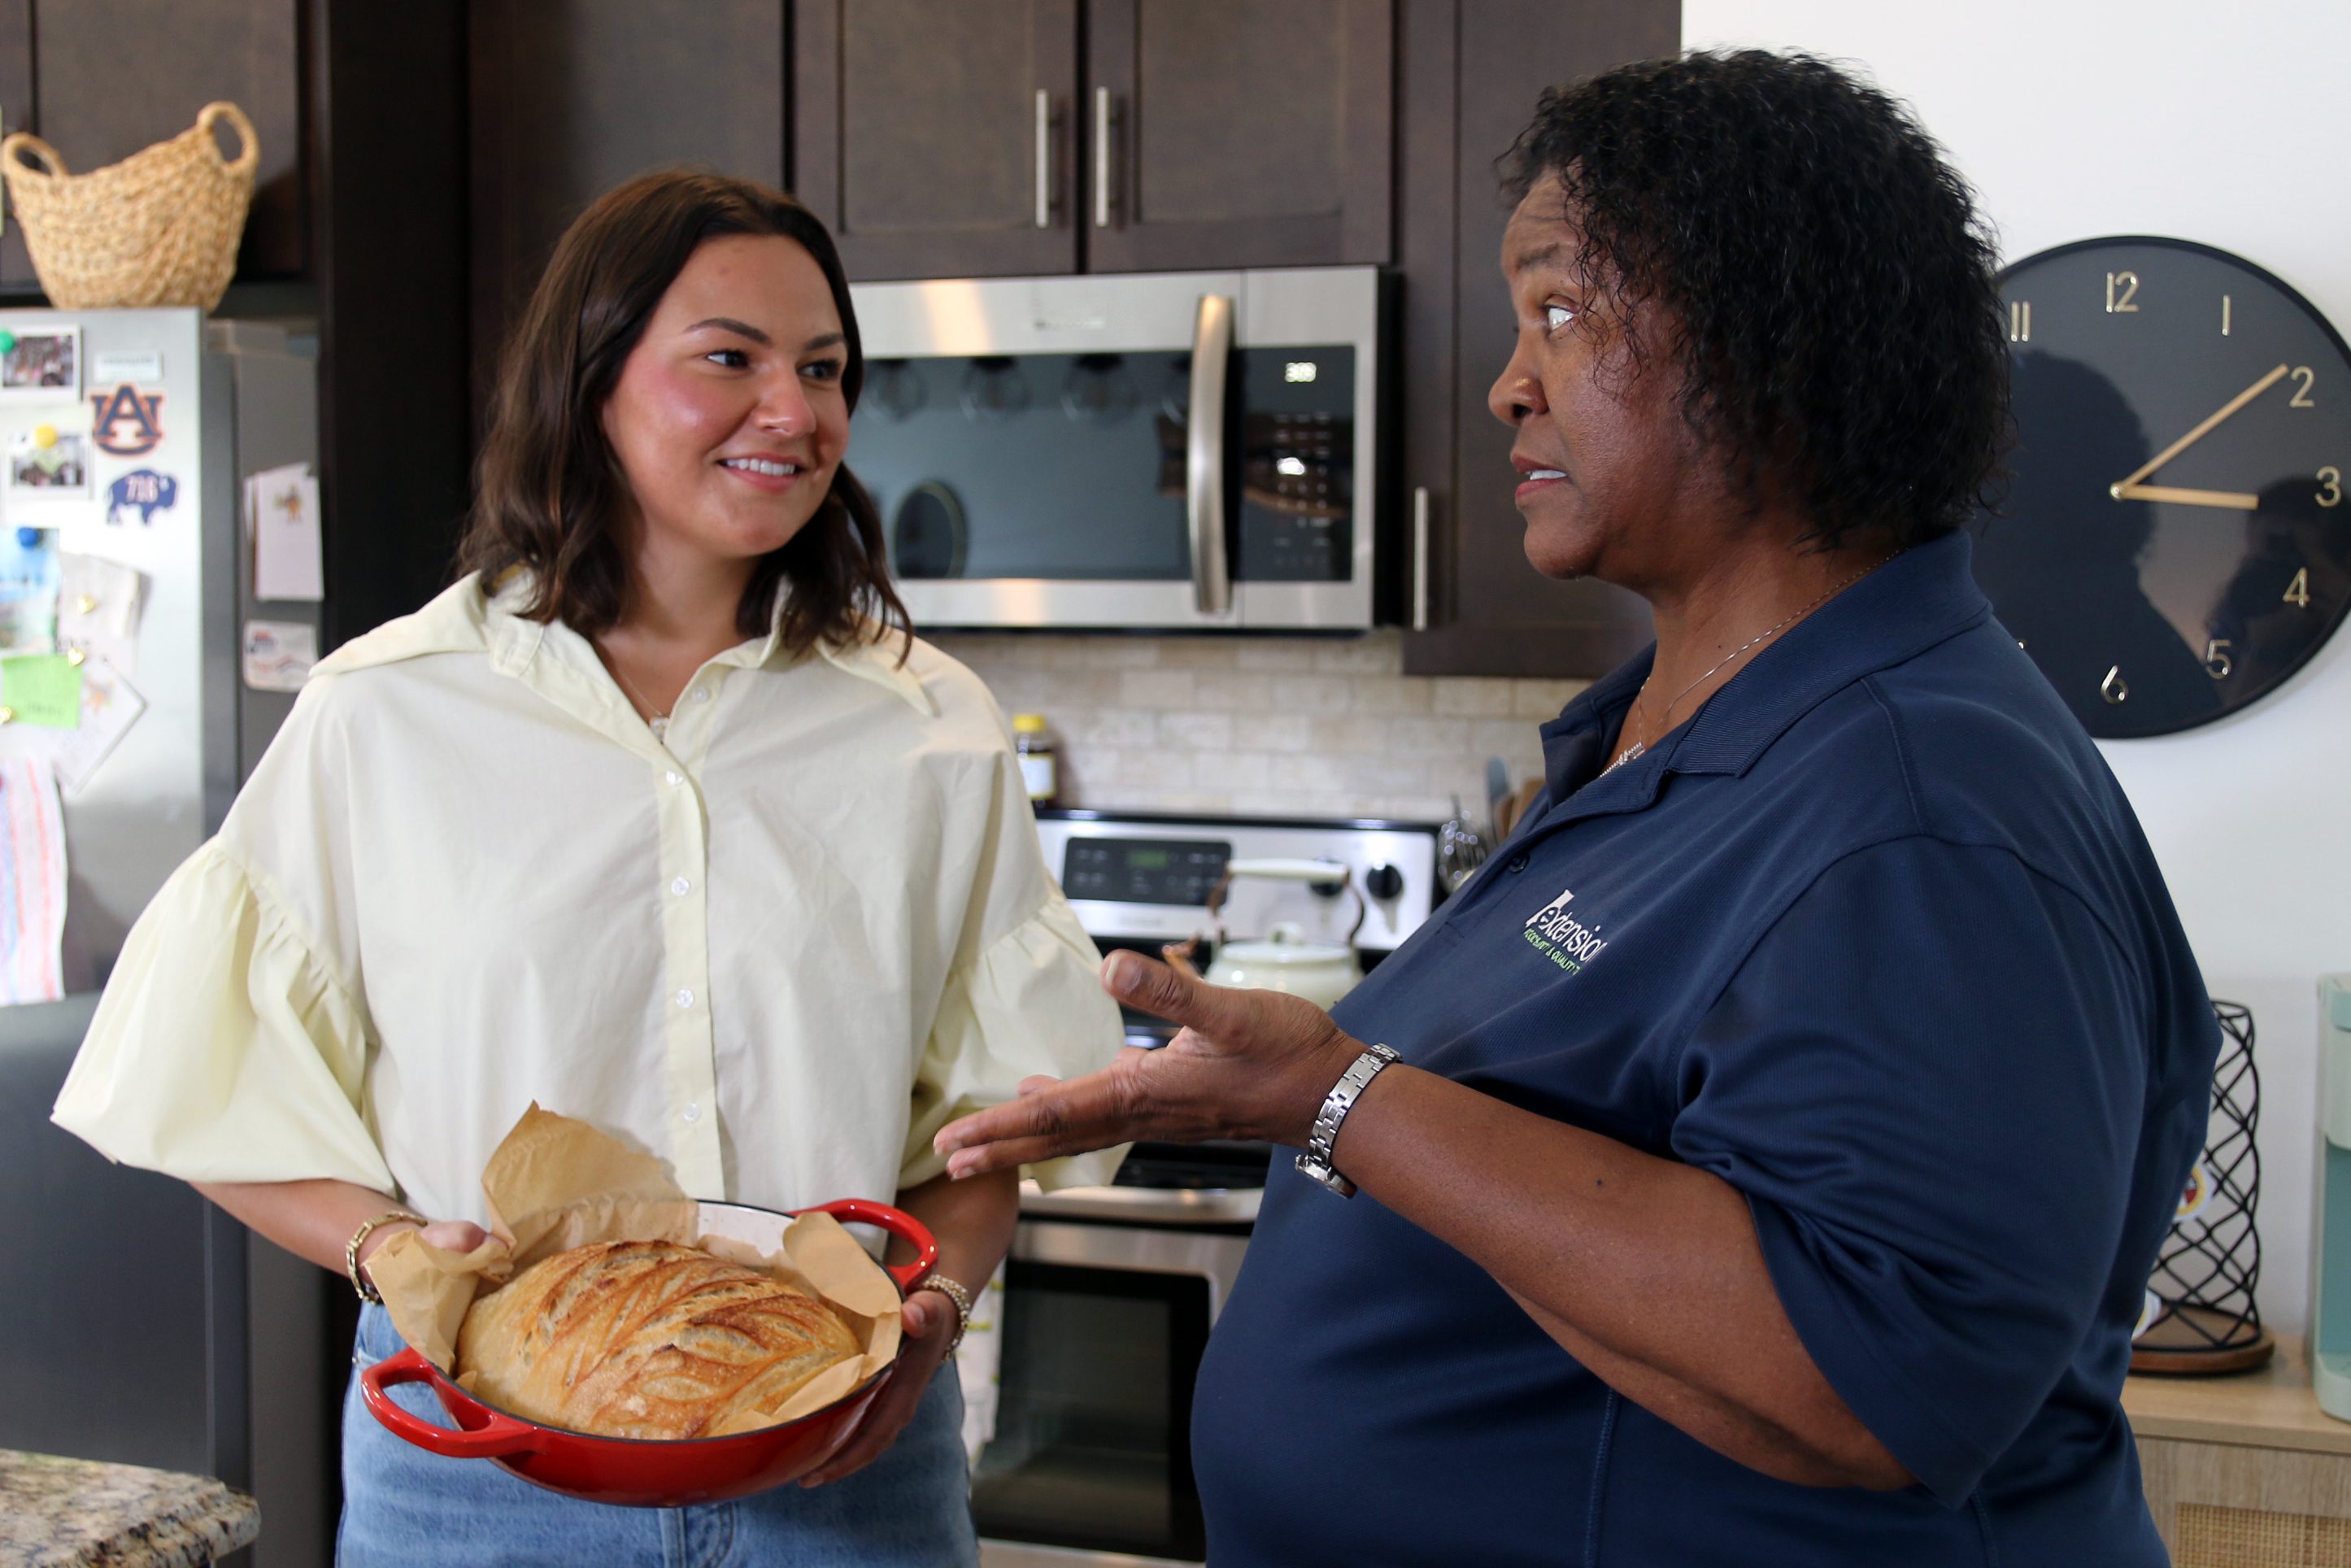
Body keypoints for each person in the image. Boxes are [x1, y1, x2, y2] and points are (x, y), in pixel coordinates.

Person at [938, 50, 2217, 1566]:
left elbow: (1871, 1373)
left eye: (1560, 310)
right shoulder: (1683, 733)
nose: (1507, 381)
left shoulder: (1920, 812)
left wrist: (1338, 1097)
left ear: (1769, 348)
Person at [54, 170, 1125, 1566]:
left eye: (824, 369)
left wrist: (937, 1313)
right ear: (591, 379)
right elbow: (201, 1088)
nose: (794, 412)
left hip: (841, 1447)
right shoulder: (385, 712)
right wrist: (394, 1256)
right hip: (479, 1460)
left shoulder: (929, 727)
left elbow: (996, 1128)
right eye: (728, 359)